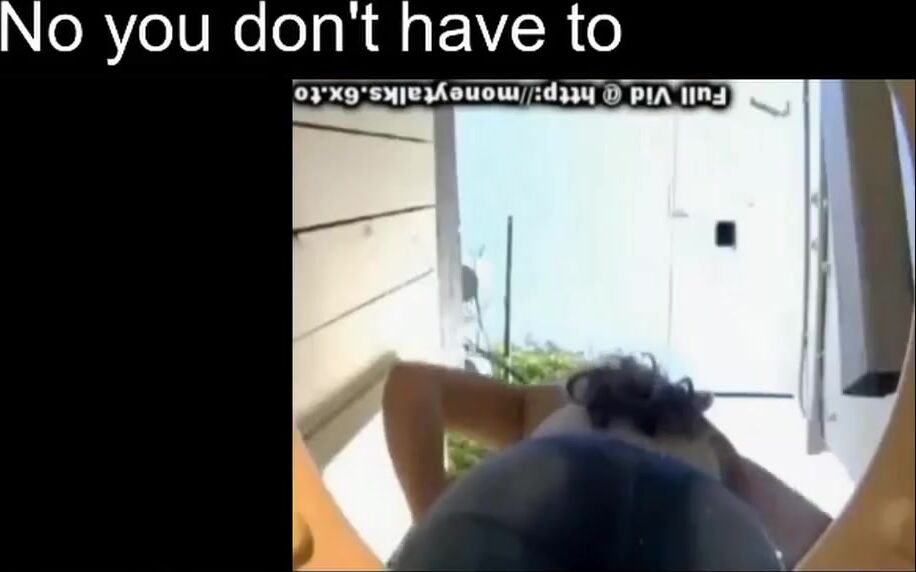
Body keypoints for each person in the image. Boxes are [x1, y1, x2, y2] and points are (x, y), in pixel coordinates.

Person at [382, 356, 833, 571]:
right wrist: (435, 511)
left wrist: (436, 513)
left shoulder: (555, 404)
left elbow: (412, 385)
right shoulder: (710, 446)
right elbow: (825, 541)